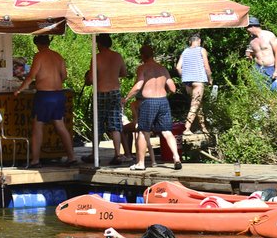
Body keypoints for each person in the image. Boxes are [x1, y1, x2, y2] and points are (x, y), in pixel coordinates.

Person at [14, 35, 78, 168]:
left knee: (38, 126)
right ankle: (71, 156)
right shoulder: (58, 56)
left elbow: (32, 76)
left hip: (44, 95)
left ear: (38, 44)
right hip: (58, 94)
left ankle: (35, 160)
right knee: (60, 125)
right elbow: (64, 76)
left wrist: (20, 89)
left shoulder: (39, 56)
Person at [124, 43, 182, 171]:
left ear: (142, 55)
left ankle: (141, 163)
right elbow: (173, 88)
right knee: (167, 131)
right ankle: (176, 157)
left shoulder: (142, 68)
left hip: (149, 102)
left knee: (143, 131)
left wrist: (126, 98)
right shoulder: (163, 69)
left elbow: (138, 86)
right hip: (163, 101)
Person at [84, 33, 130, 164]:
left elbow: (91, 79)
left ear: (100, 44)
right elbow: (124, 73)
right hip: (115, 92)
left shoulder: (96, 58)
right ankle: (117, 154)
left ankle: (94, 154)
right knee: (115, 124)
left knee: (97, 124)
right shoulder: (117, 56)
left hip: (100, 92)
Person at [175, 33, 212, 133]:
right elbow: (206, 66)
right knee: (195, 105)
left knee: (197, 105)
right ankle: (186, 128)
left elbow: (178, 67)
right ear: (199, 41)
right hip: (198, 80)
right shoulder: (201, 50)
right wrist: (210, 79)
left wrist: (185, 76)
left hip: (187, 82)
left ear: (190, 41)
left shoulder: (185, 51)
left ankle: (204, 128)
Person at [244, 17, 277, 93]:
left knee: (275, 92)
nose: (246, 30)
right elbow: (251, 57)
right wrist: (248, 57)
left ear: (253, 26)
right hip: (257, 68)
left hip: (270, 68)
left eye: (247, 27)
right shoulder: (251, 40)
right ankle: (261, 105)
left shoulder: (269, 35)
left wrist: (276, 70)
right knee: (258, 92)